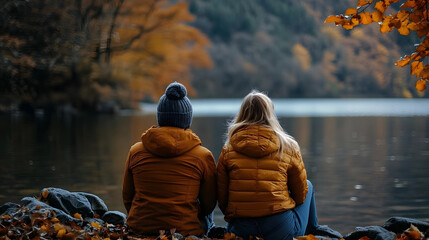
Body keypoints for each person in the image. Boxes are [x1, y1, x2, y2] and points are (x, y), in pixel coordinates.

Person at [217, 90, 321, 240]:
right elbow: (301, 196)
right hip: (280, 231)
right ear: (270, 114)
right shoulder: (288, 146)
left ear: (242, 114)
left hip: (241, 231)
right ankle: (314, 233)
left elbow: (222, 199)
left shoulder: (228, 149)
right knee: (308, 185)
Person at [122, 82, 217, 237]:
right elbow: (209, 204)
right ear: (187, 119)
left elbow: (127, 197)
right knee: (207, 214)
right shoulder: (203, 156)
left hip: (139, 229)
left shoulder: (136, 151)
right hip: (186, 231)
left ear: (160, 117)